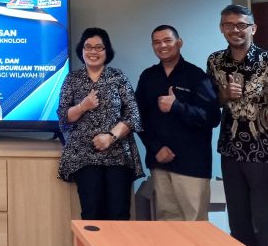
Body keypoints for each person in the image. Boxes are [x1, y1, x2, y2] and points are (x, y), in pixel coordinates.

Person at [206, 4, 268, 246]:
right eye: (229, 25)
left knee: (265, 219)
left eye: (241, 24)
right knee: (238, 219)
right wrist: (224, 95)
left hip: (264, 149)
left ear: (253, 28)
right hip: (230, 149)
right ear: (221, 28)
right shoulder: (215, 61)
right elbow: (212, 102)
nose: (235, 30)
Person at [135, 25, 220, 221]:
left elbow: (212, 117)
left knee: (195, 223)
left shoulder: (196, 75)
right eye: (157, 42)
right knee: (166, 223)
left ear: (179, 43)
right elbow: (138, 117)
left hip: (191, 164)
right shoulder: (148, 76)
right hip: (160, 161)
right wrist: (155, 147)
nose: (162, 46)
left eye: (167, 40)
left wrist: (176, 107)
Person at [57, 27, 143, 220]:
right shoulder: (72, 79)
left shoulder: (118, 77)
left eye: (99, 47)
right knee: (91, 213)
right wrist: (83, 106)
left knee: (119, 213)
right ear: (81, 50)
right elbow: (63, 116)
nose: (93, 51)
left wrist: (110, 137)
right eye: (88, 47)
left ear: (106, 51)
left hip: (118, 154)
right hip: (84, 155)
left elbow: (133, 115)